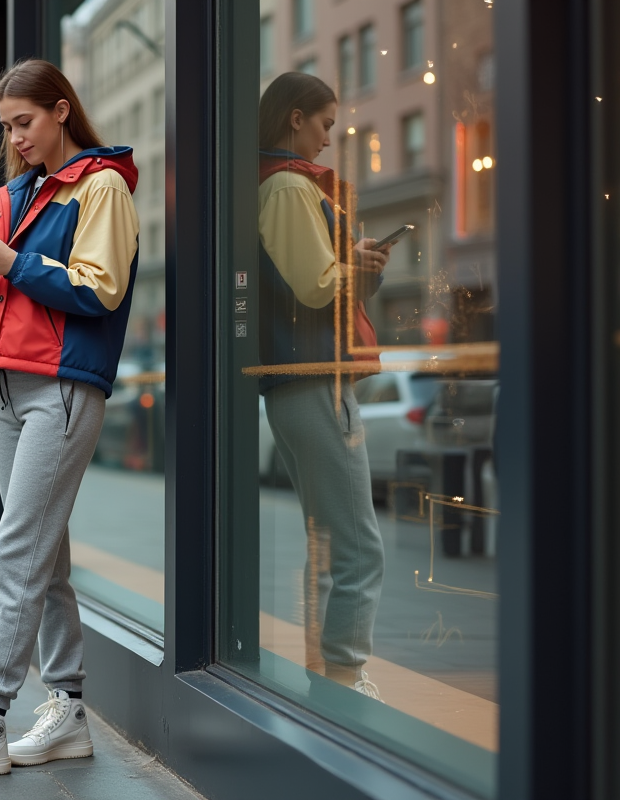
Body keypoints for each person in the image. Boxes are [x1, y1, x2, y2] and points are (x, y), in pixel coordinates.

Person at [0, 59, 139, 781]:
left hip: (63, 386)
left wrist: (11, 263)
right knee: (43, 551)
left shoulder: (100, 187)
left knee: (18, 546)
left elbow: (100, 292)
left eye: (25, 121)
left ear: (61, 110)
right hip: (5, 387)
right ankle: (67, 707)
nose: (15, 136)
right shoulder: (15, 194)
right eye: (7, 125)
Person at [256, 73, 391, 699]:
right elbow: (314, 286)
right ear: (294, 118)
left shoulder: (286, 184)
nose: (328, 140)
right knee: (357, 541)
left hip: (307, 378)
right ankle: (344, 673)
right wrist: (352, 263)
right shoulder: (287, 185)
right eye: (325, 124)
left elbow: (315, 284)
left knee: (332, 535)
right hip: (315, 379)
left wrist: (355, 265)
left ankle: (331, 667)